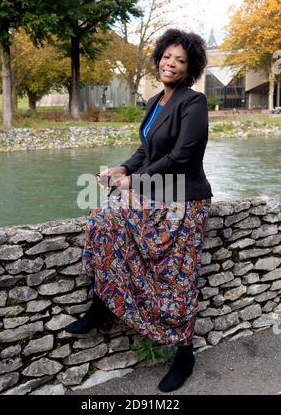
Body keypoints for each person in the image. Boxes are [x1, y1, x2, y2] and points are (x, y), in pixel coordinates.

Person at [65, 28, 213, 393]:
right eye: (167, 56)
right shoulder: (153, 101)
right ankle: (103, 301)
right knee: (103, 218)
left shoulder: (193, 103)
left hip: (185, 200)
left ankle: (184, 353)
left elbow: (182, 156)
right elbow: (145, 151)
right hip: (158, 192)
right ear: (159, 57)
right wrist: (123, 169)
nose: (170, 63)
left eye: (180, 60)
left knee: (178, 278)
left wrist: (136, 182)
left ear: (189, 67)